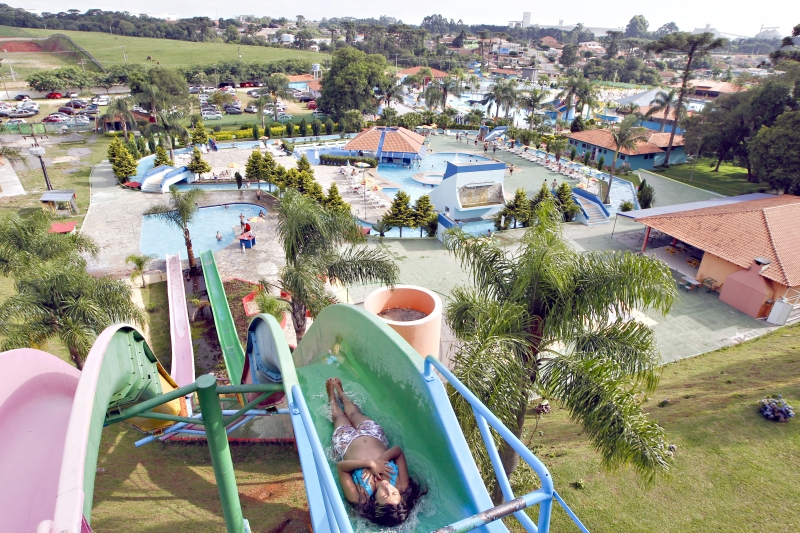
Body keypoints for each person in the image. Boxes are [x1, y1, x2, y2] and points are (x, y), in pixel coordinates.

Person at [328, 378, 425, 526]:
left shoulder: (360, 497)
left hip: (346, 443)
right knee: (354, 413)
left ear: (376, 504)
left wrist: (370, 464)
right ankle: (342, 394)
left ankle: (332, 398)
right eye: (393, 493)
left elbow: (341, 467)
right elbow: (397, 451)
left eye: (385, 495)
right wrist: (379, 463)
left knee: (339, 417)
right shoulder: (401, 484)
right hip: (373, 434)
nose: (387, 488)